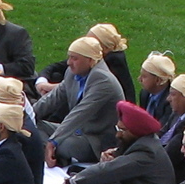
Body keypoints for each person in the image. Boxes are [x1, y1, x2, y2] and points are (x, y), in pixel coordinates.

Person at [35, 36, 127, 165]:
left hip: (95, 139)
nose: (68, 62)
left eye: (74, 58)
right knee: (34, 126)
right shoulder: (72, 72)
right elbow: (53, 98)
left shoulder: (103, 80)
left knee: (63, 145)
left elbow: (80, 113)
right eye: (69, 57)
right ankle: (54, 154)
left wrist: (53, 141)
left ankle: (53, 153)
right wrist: (26, 115)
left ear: (90, 60)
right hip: (76, 132)